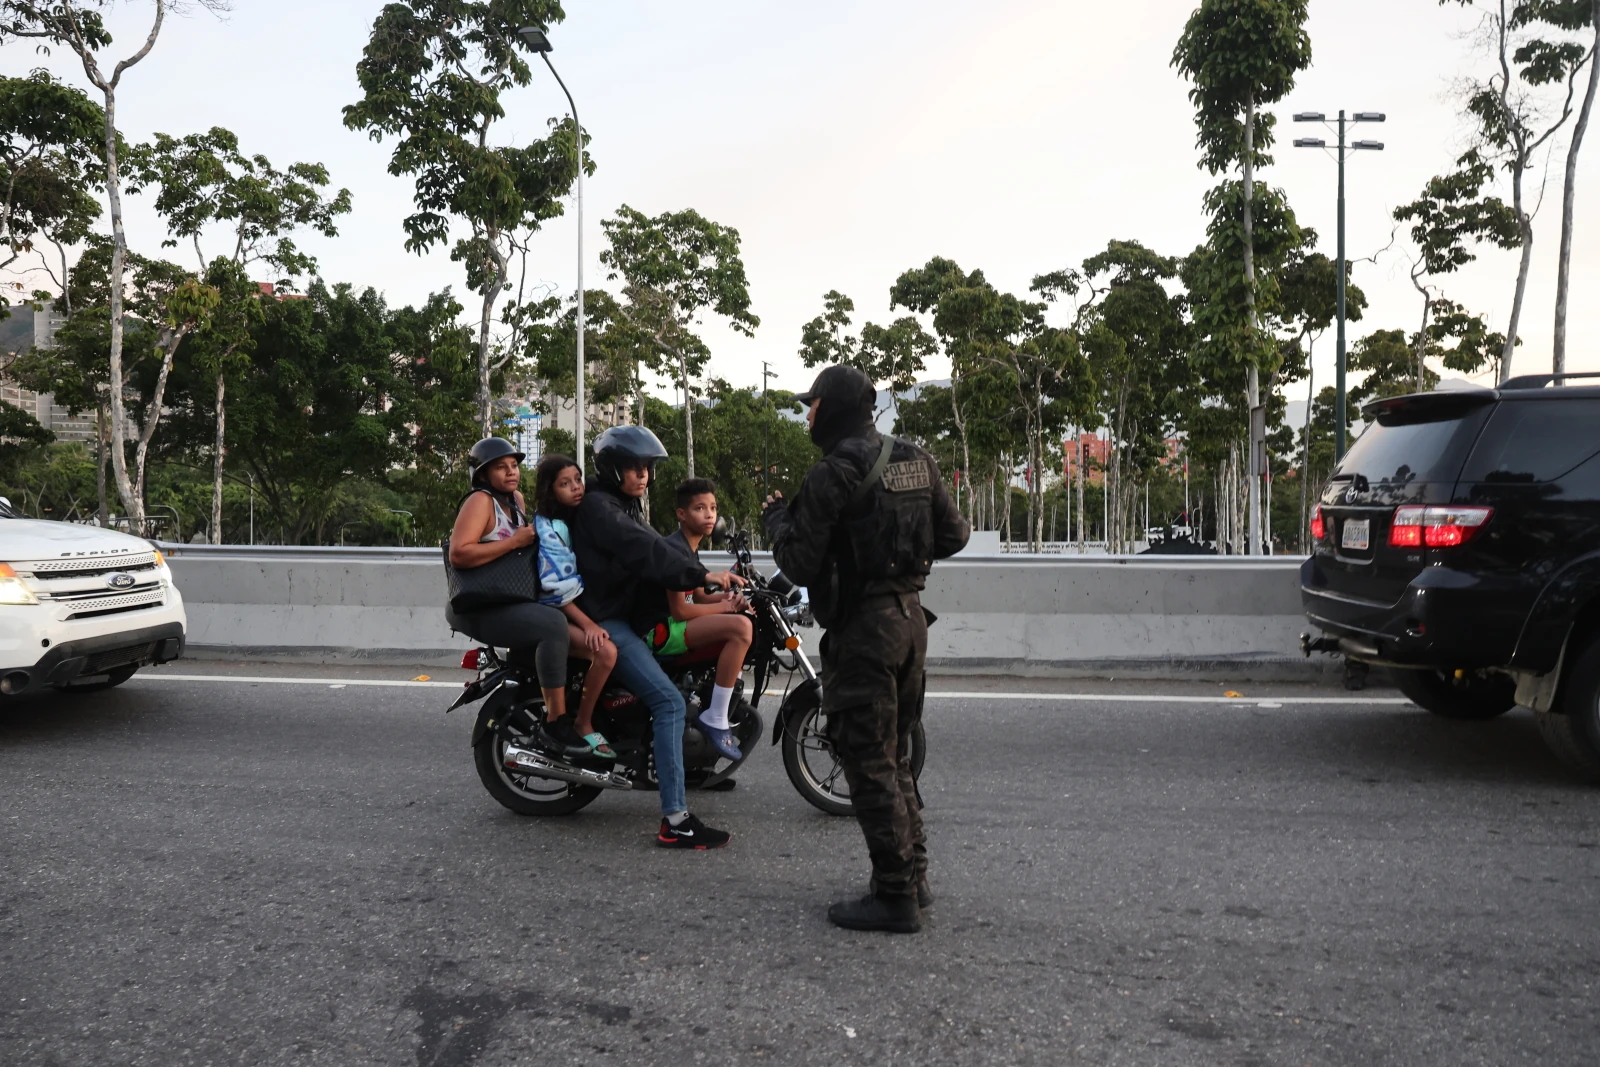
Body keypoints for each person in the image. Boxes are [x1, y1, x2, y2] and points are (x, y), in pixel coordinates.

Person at [762, 365, 969, 933]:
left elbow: (800, 562)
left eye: (812, 406)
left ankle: (895, 896)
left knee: (868, 760)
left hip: (863, 630)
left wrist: (779, 521)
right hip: (910, 621)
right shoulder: (916, 457)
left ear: (832, 408)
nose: (808, 415)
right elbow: (955, 536)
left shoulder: (834, 471)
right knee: (896, 754)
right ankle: (913, 878)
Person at [570, 426, 744, 850]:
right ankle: (675, 820)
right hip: (608, 620)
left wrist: (707, 580)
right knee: (667, 702)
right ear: (613, 468)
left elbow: (654, 546)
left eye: (648, 468)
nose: (643, 475)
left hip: (625, 614)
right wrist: (701, 574)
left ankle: (692, 768)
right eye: (635, 467)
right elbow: (643, 549)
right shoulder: (599, 507)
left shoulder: (625, 505)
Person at [446, 438, 586, 759]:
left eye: (514, 466)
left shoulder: (515, 500)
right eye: (501, 467)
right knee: (553, 626)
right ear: (482, 474)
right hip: (481, 603)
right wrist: (515, 542)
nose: (511, 472)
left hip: (509, 597)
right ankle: (555, 723)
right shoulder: (481, 501)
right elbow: (460, 553)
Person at [635, 477, 753, 761]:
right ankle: (716, 715)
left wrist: (731, 600)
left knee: (741, 619)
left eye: (713, 507)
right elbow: (681, 611)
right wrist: (727, 611)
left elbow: (699, 597)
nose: (710, 514)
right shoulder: (674, 550)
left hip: (675, 625)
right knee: (740, 629)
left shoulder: (689, 547)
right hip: (659, 632)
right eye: (700, 508)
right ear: (681, 514)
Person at [531, 454, 620, 759]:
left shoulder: (574, 516)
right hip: (556, 612)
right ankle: (582, 721)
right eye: (564, 484)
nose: (576, 488)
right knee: (606, 653)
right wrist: (588, 624)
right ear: (550, 490)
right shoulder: (550, 527)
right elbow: (557, 588)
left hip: (573, 607)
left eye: (578, 480)